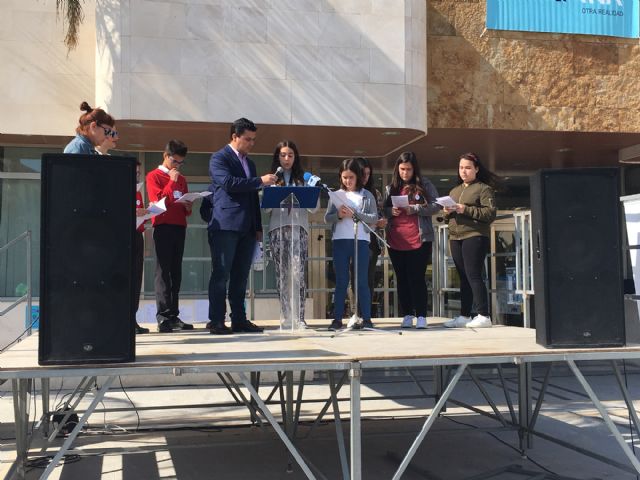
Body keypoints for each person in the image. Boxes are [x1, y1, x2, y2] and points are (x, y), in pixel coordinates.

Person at [207, 118, 277, 335]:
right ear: (234, 136)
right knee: (221, 274)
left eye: (253, 140)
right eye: (247, 139)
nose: (251, 143)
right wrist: (260, 181)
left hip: (247, 227)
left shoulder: (250, 163)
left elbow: (253, 197)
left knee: (241, 276)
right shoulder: (219, 158)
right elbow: (229, 183)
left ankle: (239, 319)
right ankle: (217, 320)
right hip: (226, 225)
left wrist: (258, 226)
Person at [384, 152, 440, 329]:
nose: (405, 173)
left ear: (414, 169)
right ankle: (407, 314)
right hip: (396, 239)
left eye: (408, 169)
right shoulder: (390, 188)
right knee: (401, 279)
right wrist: (390, 211)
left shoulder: (425, 184)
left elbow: (436, 205)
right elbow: (383, 210)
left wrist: (415, 208)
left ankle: (421, 315)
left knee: (416, 278)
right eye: (402, 169)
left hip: (419, 239)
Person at [443, 152, 499, 329]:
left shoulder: (483, 189)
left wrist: (464, 209)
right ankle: (465, 315)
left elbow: (490, 214)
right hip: (455, 236)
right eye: (461, 167)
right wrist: (447, 212)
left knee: (474, 274)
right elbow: (449, 217)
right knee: (463, 277)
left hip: (474, 235)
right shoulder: (454, 191)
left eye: (467, 168)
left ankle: (484, 315)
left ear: (476, 169)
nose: (463, 171)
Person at [266, 140, 317, 328]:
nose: (286, 159)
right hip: (277, 230)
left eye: (290, 155)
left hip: (298, 230)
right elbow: (266, 209)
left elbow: (313, 209)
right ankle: (286, 316)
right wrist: (270, 191)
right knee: (282, 274)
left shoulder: (303, 179)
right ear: (277, 157)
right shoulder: (272, 179)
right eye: (282, 155)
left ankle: (300, 317)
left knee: (298, 273)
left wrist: (310, 191)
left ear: (296, 157)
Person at [145, 140, 194, 333]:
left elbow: (185, 207)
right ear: (166, 156)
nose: (177, 166)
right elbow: (159, 202)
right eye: (175, 161)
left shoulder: (182, 179)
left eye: (181, 163)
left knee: (176, 272)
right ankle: (163, 316)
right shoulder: (153, 176)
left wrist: (188, 205)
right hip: (163, 226)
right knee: (163, 272)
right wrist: (172, 181)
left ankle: (174, 315)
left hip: (179, 226)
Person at [325, 158, 378, 330]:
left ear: (358, 177)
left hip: (361, 240)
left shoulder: (366, 195)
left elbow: (374, 218)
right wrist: (339, 215)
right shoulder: (336, 195)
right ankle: (337, 319)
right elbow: (327, 218)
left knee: (362, 280)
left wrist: (356, 213)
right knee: (341, 280)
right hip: (340, 240)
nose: (348, 181)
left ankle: (367, 318)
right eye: (344, 177)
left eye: (351, 177)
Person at [350, 157, 387, 320]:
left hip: (371, 239)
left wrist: (381, 222)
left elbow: (380, 216)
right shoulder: (348, 193)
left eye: (368, 174)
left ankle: (365, 315)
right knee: (354, 277)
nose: (365, 177)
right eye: (362, 174)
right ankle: (355, 313)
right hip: (352, 238)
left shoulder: (374, 193)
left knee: (368, 277)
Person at [133, 161, 150, 334]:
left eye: (139, 173)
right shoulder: (117, 189)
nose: (137, 176)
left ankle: (132, 318)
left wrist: (146, 212)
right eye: (135, 173)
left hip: (137, 235)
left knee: (137, 277)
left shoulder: (137, 191)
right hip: (123, 238)